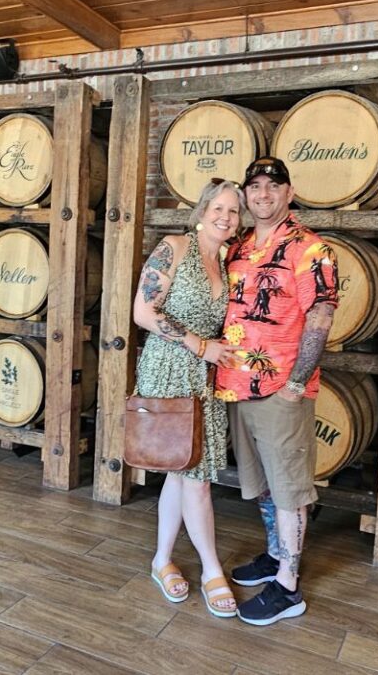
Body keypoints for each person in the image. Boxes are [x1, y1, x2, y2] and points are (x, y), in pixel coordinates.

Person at [220, 156, 338, 626]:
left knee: (290, 490)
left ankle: (288, 587)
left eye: (273, 185)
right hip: (236, 384)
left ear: (289, 192)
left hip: (280, 388)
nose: (263, 194)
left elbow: (321, 318)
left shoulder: (310, 249)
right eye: (255, 186)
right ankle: (274, 556)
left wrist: (294, 384)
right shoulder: (242, 246)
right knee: (266, 484)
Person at [132, 179, 243, 618]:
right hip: (170, 369)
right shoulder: (174, 247)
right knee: (195, 476)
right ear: (201, 211)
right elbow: (143, 312)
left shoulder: (228, 261)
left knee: (182, 470)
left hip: (205, 377)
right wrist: (201, 346)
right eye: (218, 207)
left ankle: (162, 561)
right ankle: (212, 570)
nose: (225, 216)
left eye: (234, 211)